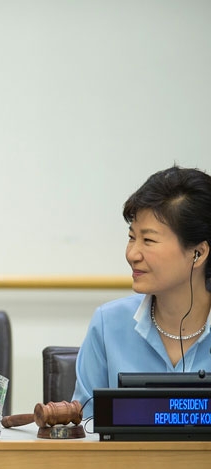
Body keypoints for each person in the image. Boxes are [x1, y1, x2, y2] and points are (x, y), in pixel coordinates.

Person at [73, 166, 211, 418]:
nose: (132, 254)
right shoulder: (108, 324)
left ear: (198, 253)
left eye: (148, 241)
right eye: (131, 237)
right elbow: (85, 427)